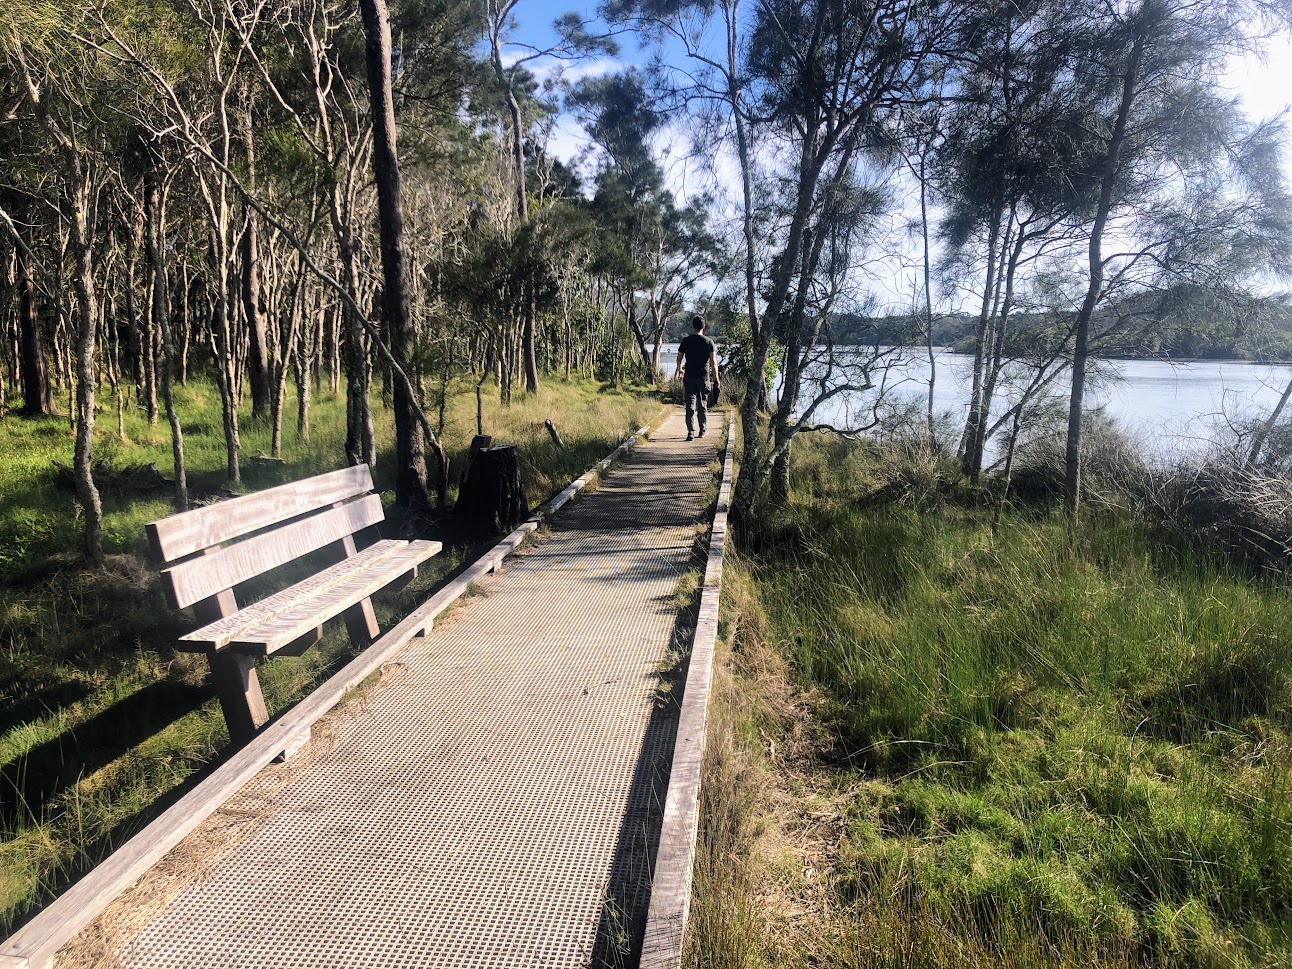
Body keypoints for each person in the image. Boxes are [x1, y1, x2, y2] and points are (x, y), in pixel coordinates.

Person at [675, 314, 720, 441]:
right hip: (703, 377)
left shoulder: (686, 341)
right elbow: (713, 362)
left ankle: (690, 432)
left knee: (690, 405)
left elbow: (679, 357)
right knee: (702, 404)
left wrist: (680, 369)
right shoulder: (709, 342)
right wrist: (716, 379)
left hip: (689, 376)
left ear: (693, 326)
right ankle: (702, 430)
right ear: (703, 327)